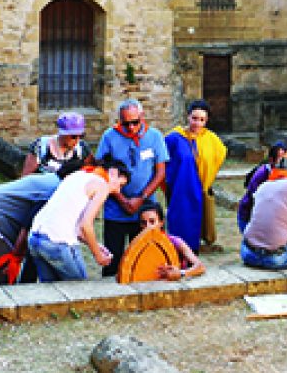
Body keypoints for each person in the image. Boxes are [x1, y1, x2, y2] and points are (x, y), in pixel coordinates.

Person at [96, 99, 169, 277]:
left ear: (142, 117)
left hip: (145, 210)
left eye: (135, 122)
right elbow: (102, 170)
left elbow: (160, 173)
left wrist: (141, 198)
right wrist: (123, 200)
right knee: (113, 259)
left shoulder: (155, 137)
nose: (130, 128)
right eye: (125, 123)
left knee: (145, 257)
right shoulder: (109, 137)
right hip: (116, 209)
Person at [27, 159, 130, 282]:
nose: (118, 191)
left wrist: (96, 246)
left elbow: (77, 228)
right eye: (120, 185)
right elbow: (85, 225)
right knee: (80, 291)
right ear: (113, 173)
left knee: (52, 294)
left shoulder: (78, 175)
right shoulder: (102, 184)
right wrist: (98, 255)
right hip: (58, 241)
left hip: (35, 238)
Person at [164, 99, 227, 253]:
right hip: (179, 189)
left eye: (202, 120)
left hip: (199, 188)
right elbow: (163, 161)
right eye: (194, 118)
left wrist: (207, 175)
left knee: (197, 223)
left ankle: (194, 252)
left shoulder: (210, 139)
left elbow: (220, 154)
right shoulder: (174, 138)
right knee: (180, 223)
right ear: (188, 116)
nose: (197, 123)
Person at [137, 199, 206, 281]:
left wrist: (181, 273)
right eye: (144, 223)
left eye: (152, 221)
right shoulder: (137, 246)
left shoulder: (175, 241)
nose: (148, 226)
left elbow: (200, 267)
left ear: (161, 222)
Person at [237, 140, 287, 232]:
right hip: (250, 217)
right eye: (282, 159)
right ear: (271, 160)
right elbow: (256, 201)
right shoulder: (262, 174)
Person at [21, 112, 92, 176]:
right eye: (73, 136)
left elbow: (91, 172)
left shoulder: (82, 148)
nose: (77, 140)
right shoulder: (41, 146)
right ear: (62, 134)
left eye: (81, 136)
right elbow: (26, 177)